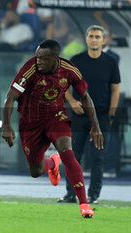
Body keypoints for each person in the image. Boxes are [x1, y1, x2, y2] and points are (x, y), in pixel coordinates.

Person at [2, 39, 103, 218]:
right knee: (35, 171)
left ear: (55, 58)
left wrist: (96, 126)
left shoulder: (70, 70)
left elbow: (86, 97)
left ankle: (84, 204)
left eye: (43, 58)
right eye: (37, 57)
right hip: (30, 122)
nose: (38, 61)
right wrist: (7, 125)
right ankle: (52, 163)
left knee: (67, 151)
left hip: (56, 116)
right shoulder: (29, 69)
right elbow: (10, 97)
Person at [58, 25, 120, 204]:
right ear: (86, 39)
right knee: (73, 157)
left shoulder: (110, 63)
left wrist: (111, 115)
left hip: (100, 117)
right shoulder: (76, 60)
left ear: (104, 40)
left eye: (97, 37)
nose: (94, 39)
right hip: (78, 116)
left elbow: (115, 90)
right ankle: (71, 194)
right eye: (91, 36)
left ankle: (93, 195)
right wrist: (71, 101)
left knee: (97, 159)